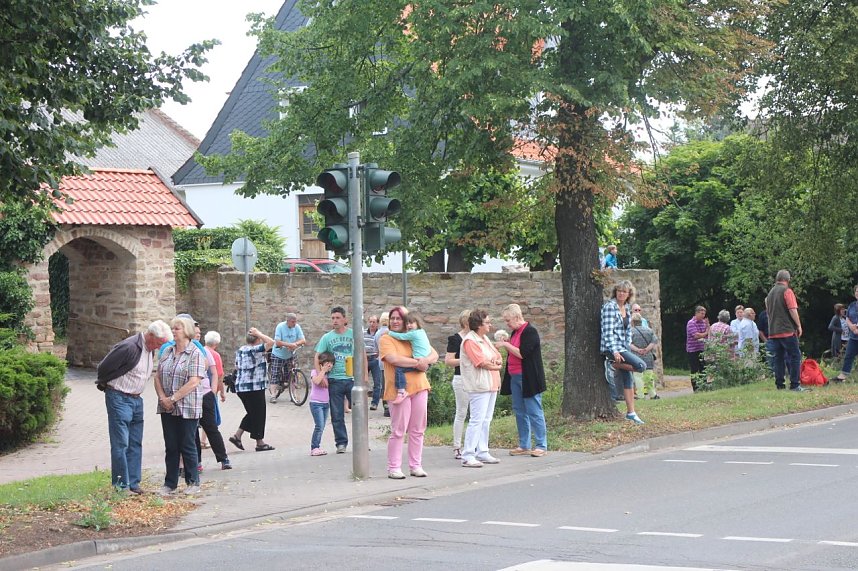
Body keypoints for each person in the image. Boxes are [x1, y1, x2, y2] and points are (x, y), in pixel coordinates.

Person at [96, 320, 172, 493]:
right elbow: (103, 367)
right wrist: (106, 385)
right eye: (159, 343)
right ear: (151, 336)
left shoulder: (149, 349)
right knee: (121, 443)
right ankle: (121, 485)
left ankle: (134, 483)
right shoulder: (129, 347)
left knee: (135, 443)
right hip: (119, 397)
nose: (160, 347)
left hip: (137, 400)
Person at [379, 306, 438, 478]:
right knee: (399, 430)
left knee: (418, 429)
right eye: (393, 318)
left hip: (419, 386)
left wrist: (425, 360)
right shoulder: (387, 338)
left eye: (399, 319)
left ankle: (415, 465)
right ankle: (394, 467)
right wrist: (418, 363)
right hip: (399, 389)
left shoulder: (414, 335)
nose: (395, 321)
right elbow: (393, 359)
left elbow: (433, 354)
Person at [154, 316, 206, 496]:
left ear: (187, 332)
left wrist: (173, 398)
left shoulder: (195, 353)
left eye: (177, 328)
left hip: (187, 406)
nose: (174, 331)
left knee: (188, 444)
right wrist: (163, 398)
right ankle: (170, 483)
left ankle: (193, 482)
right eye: (173, 328)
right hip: (167, 406)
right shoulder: (167, 351)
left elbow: (194, 381)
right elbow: (158, 376)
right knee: (171, 445)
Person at [498, 303, 548, 457]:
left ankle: (541, 445)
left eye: (508, 320)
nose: (507, 324)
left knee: (534, 410)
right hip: (515, 376)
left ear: (517, 317)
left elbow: (522, 353)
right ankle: (524, 444)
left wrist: (506, 344)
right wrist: (507, 342)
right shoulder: (514, 333)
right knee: (520, 411)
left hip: (528, 378)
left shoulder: (529, 331)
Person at [459, 309, 504, 467]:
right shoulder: (470, 341)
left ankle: (482, 451)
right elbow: (480, 361)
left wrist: (496, 361)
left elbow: (496, 355)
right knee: (477, 420)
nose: (490, 325)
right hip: (479, 384)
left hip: (490, 383)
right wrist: (495, 365)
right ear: (478, 325)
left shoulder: (484, 338)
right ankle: (468, 453)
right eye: (487, 322)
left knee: (486, 419)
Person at [600, 281, 648, 424]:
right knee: (641, 366)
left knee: (628, 379)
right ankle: (613, 365)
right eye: (619, 291)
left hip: (623, 347)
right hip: (612, 348)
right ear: (615, 292)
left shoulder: (626, 308)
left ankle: (631, 412)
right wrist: (614, 351)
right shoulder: (610, 307)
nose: (621, 293)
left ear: (629, 294)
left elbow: (627, 331)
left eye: (624, 291)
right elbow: (607, 332)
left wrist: (627, 345)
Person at [314, 306, 354, 454]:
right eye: (332, 318)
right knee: (337, 414)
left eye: (337, 318)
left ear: (345, 319)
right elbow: (317, 357)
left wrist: (363, 377)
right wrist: (321, 375)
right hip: (335, 380)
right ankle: (341, 443)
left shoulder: (352, 335)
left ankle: (361, 441)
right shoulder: (327, 337)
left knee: (359, 412)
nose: (335, 321)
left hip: (351, 379)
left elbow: (361, 354)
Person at [229, 327, 277, 452]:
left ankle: (237, 436)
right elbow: (271, 342)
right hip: (254, 387)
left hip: (241, 387)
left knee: (252, 413)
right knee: (259, 414)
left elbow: (236, 366)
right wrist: (259, 333)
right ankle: (259, 443)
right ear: (257, 340)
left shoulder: (241, 349)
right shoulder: (256, 349)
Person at [764, 269, 805, 391]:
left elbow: (768, 311)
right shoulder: (787, 291)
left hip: (773, 331)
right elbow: (792, 309)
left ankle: (780, 384)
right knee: (795, 356)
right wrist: (798, 325)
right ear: (788, 279)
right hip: (787, 330)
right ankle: (795, 384)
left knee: (778, 358)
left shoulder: (769, 294)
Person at [200, 330, 231, 470]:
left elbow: (215, 374)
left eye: (198, 333)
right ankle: (196, 462)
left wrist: (213, 393)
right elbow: (219, 375)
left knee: (211, 427)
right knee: (193, 430)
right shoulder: (211, 353)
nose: (196, 335)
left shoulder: (205, 352)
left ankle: (223, 458)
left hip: (206, 394)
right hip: (191, 396)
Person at [387, 312, 432, 405]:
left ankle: (401, 391)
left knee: (399, 369)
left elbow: (401, 336)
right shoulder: (422, 332)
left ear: (417, 323)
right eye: (407, 323)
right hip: (425, 360)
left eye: (411, 323)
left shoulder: (413, 334)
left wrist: (389, 332)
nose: (409, 325)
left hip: (419, 360)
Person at [445, 309, 471, 460]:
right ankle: (457, 446)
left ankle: (472, 444)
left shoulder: (477, 338)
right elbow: (448, 360)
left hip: (475, 379)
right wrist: (466, 361)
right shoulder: (455, 339)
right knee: (461, 412)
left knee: (475, 414)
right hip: (461, 378)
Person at [270, 313, 306, 403]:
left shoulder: (297, 327)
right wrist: (289, 344)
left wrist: (295, 344)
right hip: (278, 354)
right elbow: (277, 342)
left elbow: (303, 340)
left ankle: (293, 395)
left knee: (292, 375)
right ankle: (273, 395)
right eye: (293, 322)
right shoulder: (280, 327)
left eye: (295, 321)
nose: (295, 324)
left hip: (290, 354)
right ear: (288, 321)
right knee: (275, 374)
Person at [309, 352, 335, 456]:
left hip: (325, 404)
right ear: (321, 363)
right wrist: (322, 371)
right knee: (319, 426)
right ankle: (314, 447)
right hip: (316, 403)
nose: (329, 365)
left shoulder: (330, 375)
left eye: (331, 363)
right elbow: (316, 381)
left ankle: (317, 447)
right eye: (327, 363)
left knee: (322, 426)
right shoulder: (315, 372)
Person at [630, 313, 660, 400]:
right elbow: (654, 341)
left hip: (636, 356)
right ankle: (653, 394)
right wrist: (646, 349)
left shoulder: (631, 331)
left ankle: (641, 395)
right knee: (649, 375)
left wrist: (638, 350)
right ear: (641, 321)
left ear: (632, 322)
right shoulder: (649, 330)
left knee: (638, 376)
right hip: (648, 355)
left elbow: (629, 343)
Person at [834, 285, 858, 382]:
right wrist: (852, 327)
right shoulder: (852, 305)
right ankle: (843, 376)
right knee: (848, 355)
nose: (857, 293)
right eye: (856, 291)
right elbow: (847, 318)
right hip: (853, 336)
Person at [686, 306, 709, 391]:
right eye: (701, 313)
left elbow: (707, 333)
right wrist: (705, 333)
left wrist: (707, 328)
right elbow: (696, 335)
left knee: (703, 368)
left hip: (702, 349)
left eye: (704, 314)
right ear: (697, 313)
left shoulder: (703, 322)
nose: (703, 315)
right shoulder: (691, 323)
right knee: (694, 370)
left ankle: (704, 386)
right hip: (692, 350)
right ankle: (696, 389)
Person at [365, 315, 383, 411]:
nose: (372, 324)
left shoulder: (380, 333)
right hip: (365, 359)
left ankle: (374, 403)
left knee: (377, 382)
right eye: (370, 322)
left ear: (377, 323)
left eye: (374, 322)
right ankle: (360, 401)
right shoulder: (363, 332)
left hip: (375, 359)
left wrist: (378, 354)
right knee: (361, 381)